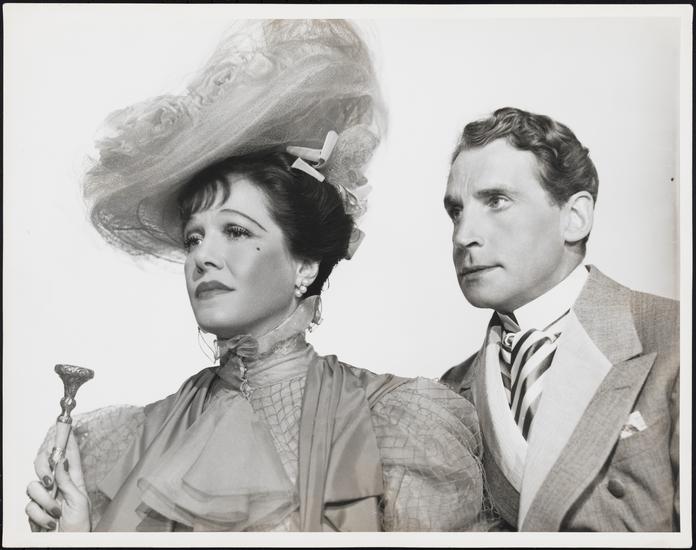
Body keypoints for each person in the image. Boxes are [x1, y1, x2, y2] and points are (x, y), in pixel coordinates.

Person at [24, 19, 487, 532]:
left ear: (304, 265)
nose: (203, 257)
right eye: (193, 238)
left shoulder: (394, 423)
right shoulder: (129, 440)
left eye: (237, 232)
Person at [440, 107, 679, 532]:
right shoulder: (447, 394)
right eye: (456, 211)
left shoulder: (676, 338)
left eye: (496, 201)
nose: (463, 235)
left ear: (575, 218)